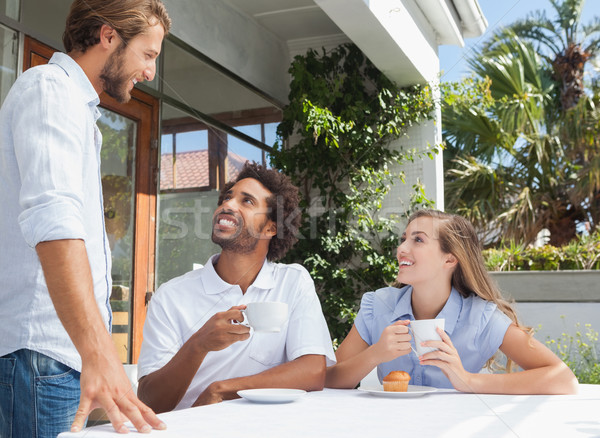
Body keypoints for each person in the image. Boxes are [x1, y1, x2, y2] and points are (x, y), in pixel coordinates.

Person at [0, 1, 171, 436]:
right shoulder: (48, 90)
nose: (150, 72)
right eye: (148, 55)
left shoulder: (77, 109)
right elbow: (54, 226)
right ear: (108, 36)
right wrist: (100, 355)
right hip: (42, 356)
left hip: (56, 359)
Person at [137, 162, 336, 413]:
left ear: (270, 228)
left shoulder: (292, 282)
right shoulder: (170, 296)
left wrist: (221, 389)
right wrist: (198, 345)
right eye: (227, 197)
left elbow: (312, 371)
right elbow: (149, 402)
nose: (227, 205)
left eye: (247, 201)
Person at [325, 209, 578, 394]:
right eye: (404, 239)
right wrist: (375, 354)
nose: (401, 248)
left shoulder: (481, 318)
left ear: (450, 259)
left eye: (418, 239)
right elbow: (328, 378)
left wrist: (467, 379)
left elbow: (563, 379)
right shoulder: (379, 305)